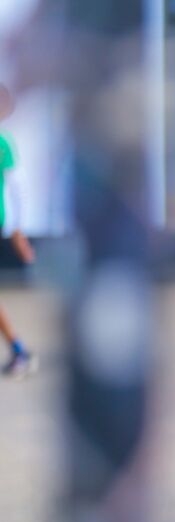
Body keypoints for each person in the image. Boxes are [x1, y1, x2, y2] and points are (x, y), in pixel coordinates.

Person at [0, 83, 37, 378]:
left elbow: (18, 188)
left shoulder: (4, 143)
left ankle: (20, 350)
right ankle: (19, 350)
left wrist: (18, 232)